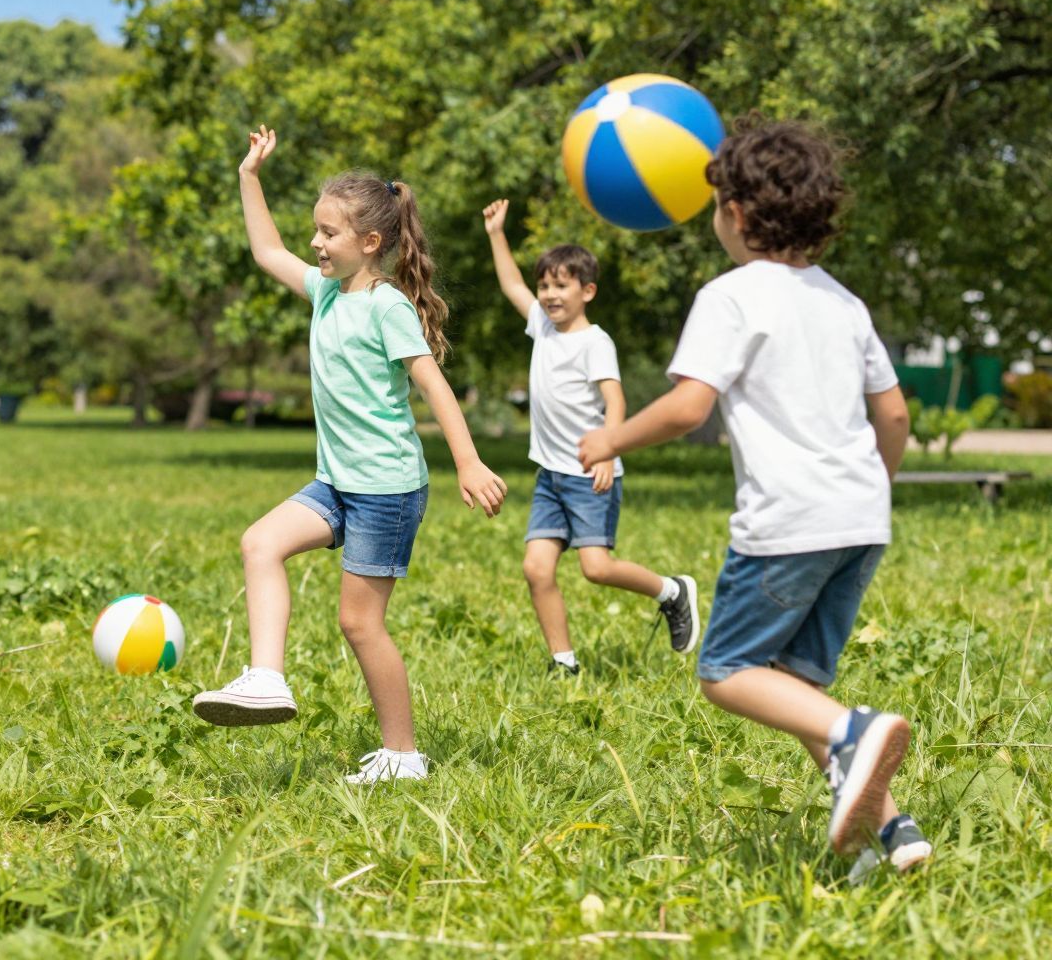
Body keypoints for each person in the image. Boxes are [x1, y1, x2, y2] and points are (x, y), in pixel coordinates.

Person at [576, 119, 926, 876]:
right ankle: (890, 834)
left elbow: (687, 408)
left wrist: (609, 440)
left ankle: (852, 732)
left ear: (735, 213)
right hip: (860, 519)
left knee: (727, 671)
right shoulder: (844, 303)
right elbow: (893, 415)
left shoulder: (730, 297)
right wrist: (869, 490)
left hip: (788, 522)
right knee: (792, 683)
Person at [191, 126, 507, 786]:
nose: (315, 243)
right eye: (316, 231)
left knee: (360, 625)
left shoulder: (386, 306)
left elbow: (435, 385)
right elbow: (266, 249)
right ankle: (266, 679)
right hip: (337, 482)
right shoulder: (326, 292)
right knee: (260, 544)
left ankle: (404, 755)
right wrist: (251, 175)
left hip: (387, 491)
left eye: (328, 233)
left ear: (370, 243)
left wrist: (469, 462)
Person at [480, 200, 699, 674]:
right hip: (550, 477)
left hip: (589, 474)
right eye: (545, 285)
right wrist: (497, 233)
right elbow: (510, 285)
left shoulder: (595, 342)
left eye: (561, 285)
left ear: (588, 291)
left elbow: (614, 401)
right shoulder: (541, 327)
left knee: (595, 568)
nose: (549, 294)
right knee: (536, 569)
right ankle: (565, 663)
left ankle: (672, 590)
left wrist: (609, 449)